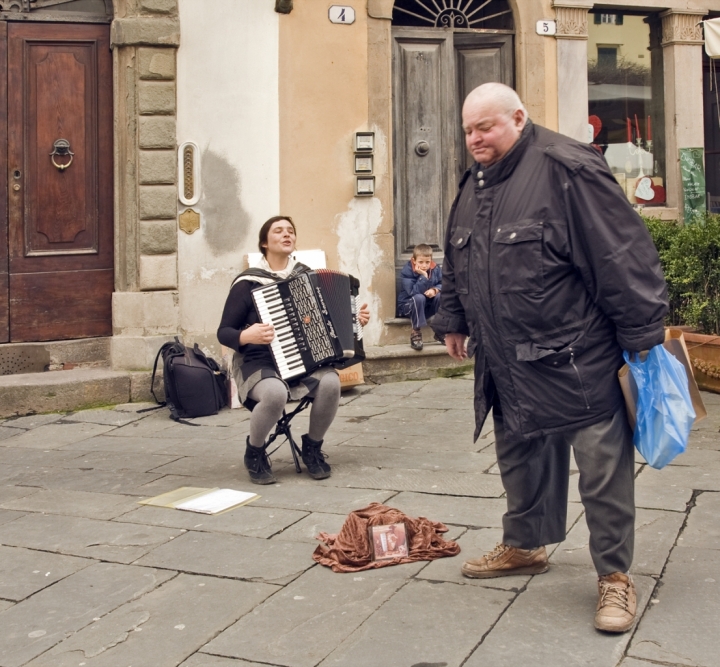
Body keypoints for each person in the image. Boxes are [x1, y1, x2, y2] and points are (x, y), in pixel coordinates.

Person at [431, 83, 668, 634]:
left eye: (484, 128)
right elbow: (455, 255)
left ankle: (615, 577)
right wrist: (454, 319)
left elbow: (621, 252)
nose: (474, 140)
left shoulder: (568, 167)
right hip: (506, 358)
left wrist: (642, 332)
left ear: (518, 117)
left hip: (575, 356)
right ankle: (525, 544)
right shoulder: (475, 182)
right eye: (467, 130)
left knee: (602, 470)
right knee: (519, 458)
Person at [217, 216, 370, 485]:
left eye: (291, 231)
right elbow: (224, 332)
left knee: (331, 382)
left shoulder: (305, 276)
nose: (287, 235)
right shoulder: (248, 283)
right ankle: (254, 450)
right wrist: (246, 335)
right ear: (265, 243)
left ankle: (312, 446)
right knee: (274, 393)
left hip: (302, 361)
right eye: (278, 231)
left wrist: (356, 317)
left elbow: (328, 323)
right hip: (257, 361)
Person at [396, 243, 444, 351]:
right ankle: (416, 332)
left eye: (427, 262)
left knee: (440, 296)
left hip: (426, 306)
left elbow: (443, 283)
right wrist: (424, 276)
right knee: (419, 297)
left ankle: (440, 331)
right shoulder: (407, 271)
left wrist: (434, 290)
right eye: (420, 262)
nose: (424, 265)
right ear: (414, 261)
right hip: (408, 306)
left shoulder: (435, 269)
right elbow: (413, 292)